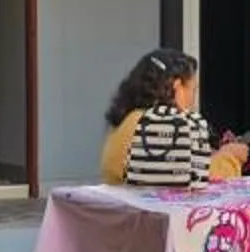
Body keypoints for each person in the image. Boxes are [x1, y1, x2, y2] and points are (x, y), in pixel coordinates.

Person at [100, 49, 240, 187]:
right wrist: (230, 156)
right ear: (177, 87)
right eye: (193, 90)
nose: (193, 102)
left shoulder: (133, 121)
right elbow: (194, 177)